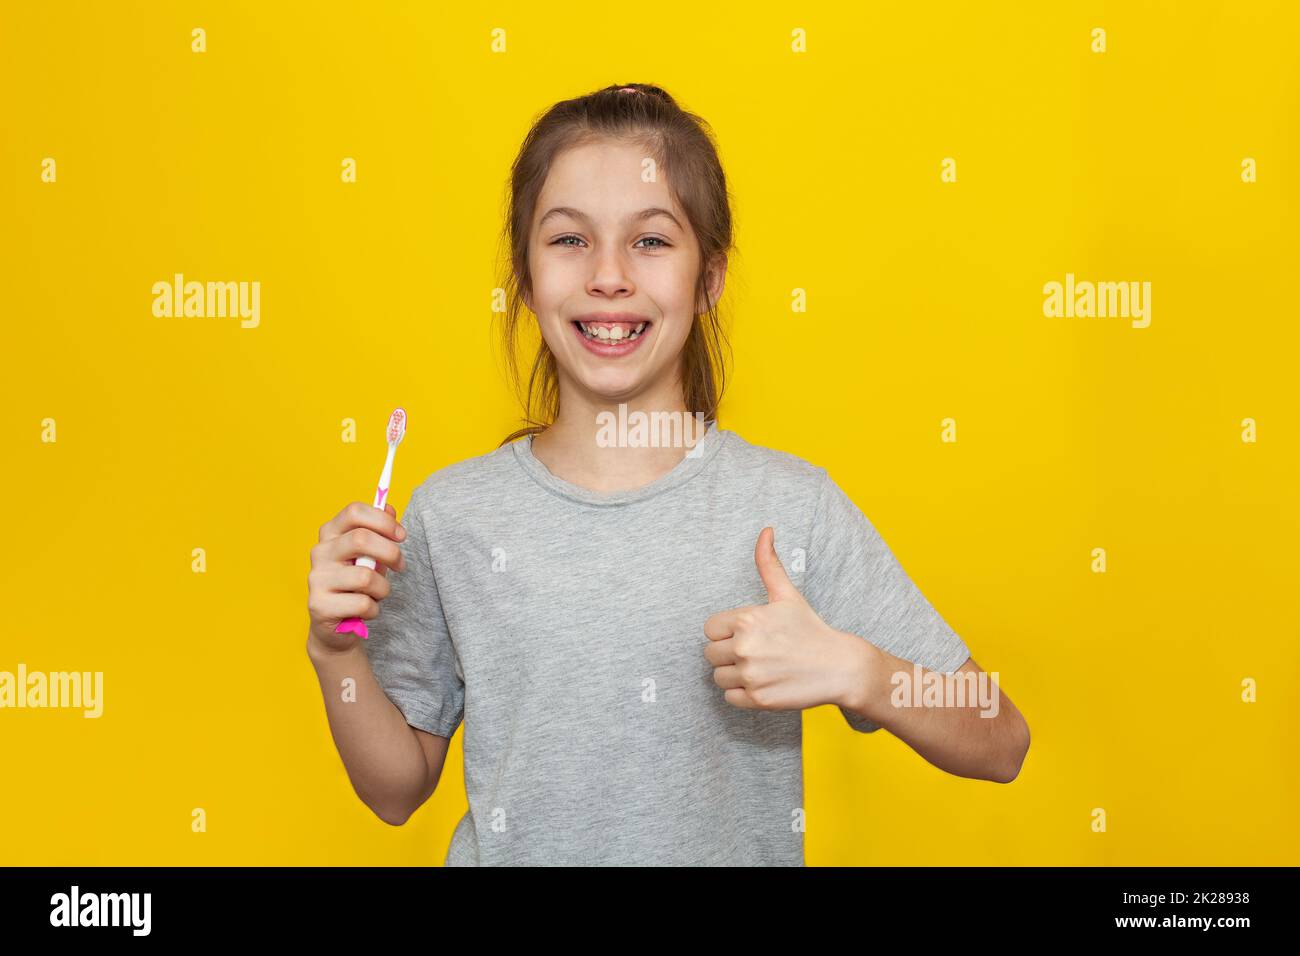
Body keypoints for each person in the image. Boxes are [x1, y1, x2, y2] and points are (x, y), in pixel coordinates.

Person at [306, 82, 1030, 866]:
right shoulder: (453, 514)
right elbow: (394, 790)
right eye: (569, 240)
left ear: (709, 276)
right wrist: (336, 655)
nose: (609, 276)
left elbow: (1000, 737)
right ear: (524, 273)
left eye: (650, 241)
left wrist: (859, 670)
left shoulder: (791, 508)